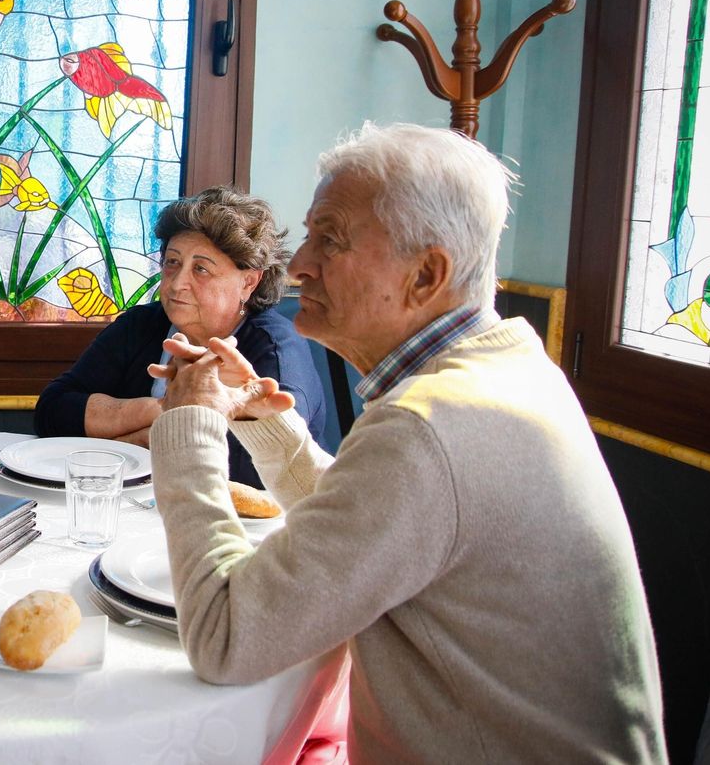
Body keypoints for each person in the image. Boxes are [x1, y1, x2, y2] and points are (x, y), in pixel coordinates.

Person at [146, 124, 666, 761]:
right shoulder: (506, 367)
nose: (300, 264)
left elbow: (227, 639)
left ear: (426, 275)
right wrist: (263, 423)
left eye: (329, 239)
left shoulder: (430, 425)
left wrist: (188, 425)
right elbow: (385, 529)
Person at [34, 187, 328, 487]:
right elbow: (52, 411)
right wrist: (160, 410)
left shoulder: (276, 348)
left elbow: (260, 468)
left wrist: (131, 440)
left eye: (201, 269)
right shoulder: (141, 326)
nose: (177, 284)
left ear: (248, 283)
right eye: (172, 262)